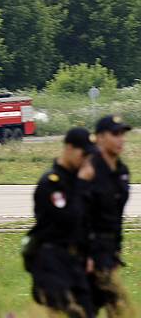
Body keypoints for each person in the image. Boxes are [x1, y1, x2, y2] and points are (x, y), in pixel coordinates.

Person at [25, 127, 96, 317]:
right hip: (52, 259)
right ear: (69, 148)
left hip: (76, 260)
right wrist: (82, 184)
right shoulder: (52, 183)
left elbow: (86, 221)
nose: (86, 161)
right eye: (84, 154)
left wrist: (89, 253)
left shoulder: (77, 182)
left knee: (87, 312)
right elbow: (68, 218)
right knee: (65, 310)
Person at [85, 115, 132, 316]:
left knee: (115, 308)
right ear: (100, 138)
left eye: (122, 134)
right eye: (115, 134)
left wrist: (116, 250)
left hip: (108, 250)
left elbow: (117, 216)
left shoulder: (122, 171)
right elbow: (78, 215)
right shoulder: (88, 170)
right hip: (87, 251)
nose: (121, 139)